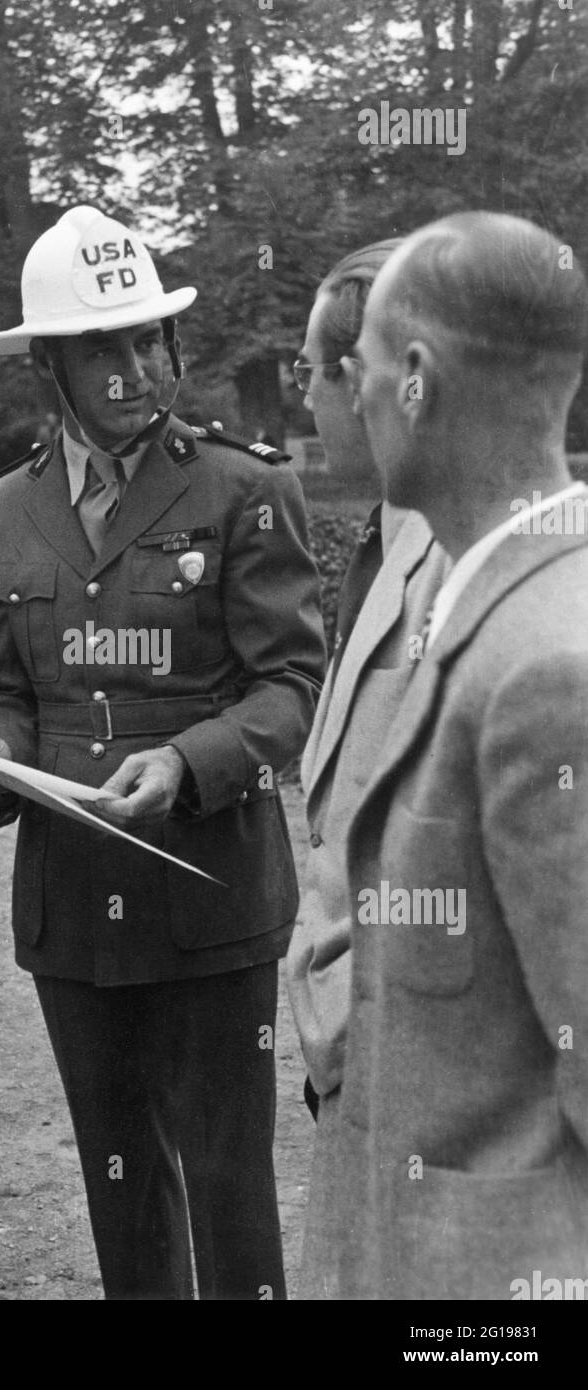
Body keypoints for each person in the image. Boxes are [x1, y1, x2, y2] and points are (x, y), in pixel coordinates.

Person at [0, 205, 326, 1300]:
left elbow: (292, 690)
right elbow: (8, 691)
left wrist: (187, 764)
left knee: (226, 1178)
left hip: (212, 897)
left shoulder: (245, 490)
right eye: (102, 347)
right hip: (74, 909)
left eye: (147, 339)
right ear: (49, 370)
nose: (134, 365)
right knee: (121, 1185)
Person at [334, 211, 588, 1299]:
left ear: (419, 377)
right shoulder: (475, 591)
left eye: (365, 365)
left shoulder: (551, 667)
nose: (353, 394)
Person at [283, 240, 450, 1298]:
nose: (302, 396)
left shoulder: (475, 568)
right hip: (358, 1076)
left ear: (377, 380)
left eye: (311, 370)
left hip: (426, 1085)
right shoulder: (387, 541)